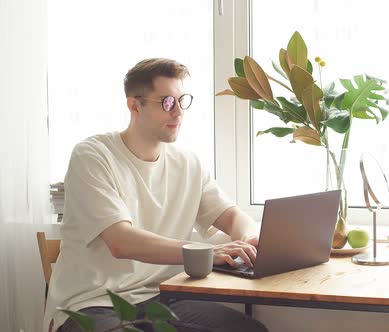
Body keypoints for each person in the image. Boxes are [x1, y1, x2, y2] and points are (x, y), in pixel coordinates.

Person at [44, 58, 268, 332]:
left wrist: (247, 238)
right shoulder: (93, 156)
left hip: (161, 300)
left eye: (181, 100)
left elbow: (231, 215)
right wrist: (209, 252)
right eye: (166, 102)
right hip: (91, 305)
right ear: (134, 105)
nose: (178, 113)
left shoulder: (188, 164)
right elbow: (121, 242)